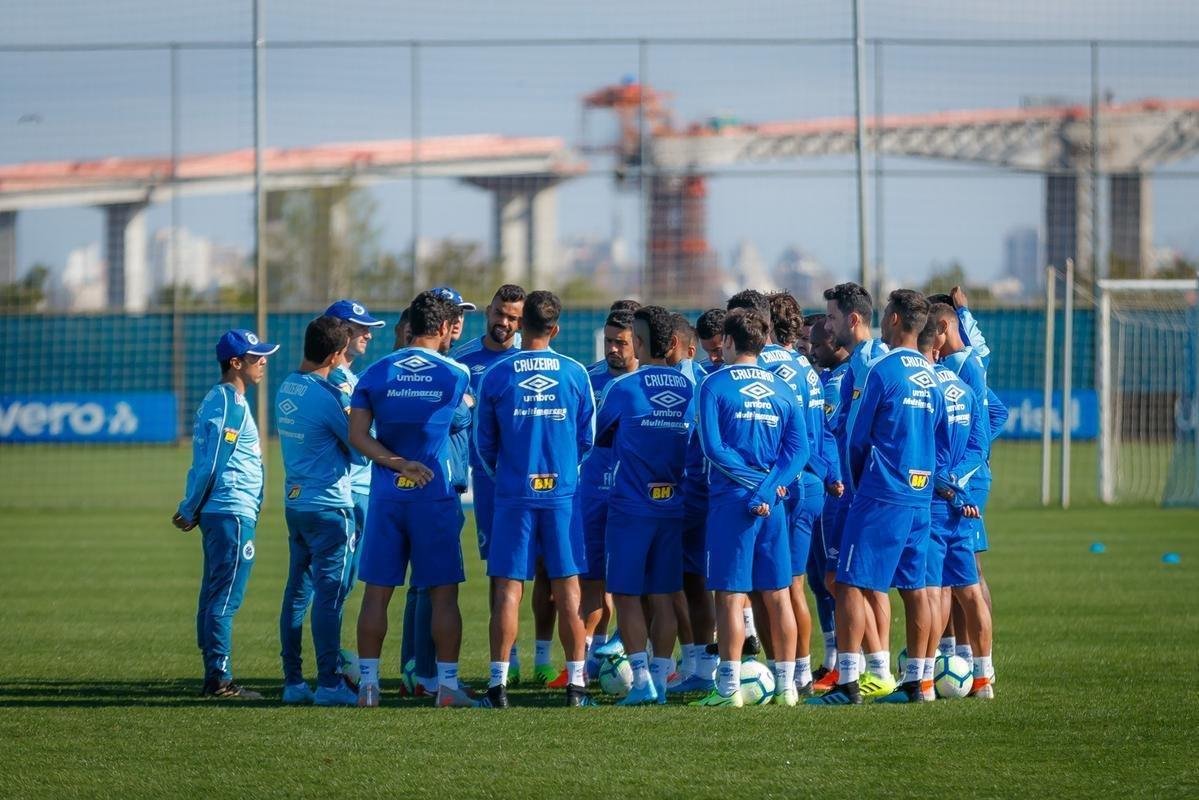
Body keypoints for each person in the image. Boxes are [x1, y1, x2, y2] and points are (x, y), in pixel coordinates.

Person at [809, 290, 946, 706]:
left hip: (880, 493)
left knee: (849, 582)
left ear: (894, 319)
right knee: (915, 588)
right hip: (920, 496)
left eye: (886, 314)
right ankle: (918, 682)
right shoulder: (931, 375)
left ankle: (848, 683)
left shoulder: (881, 370)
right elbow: (939, 435)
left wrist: (856, 486)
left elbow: (856, 436)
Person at [350, 291, 475, 708]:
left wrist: (398, 463)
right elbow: (461, 418)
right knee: (443, 594)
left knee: (377, 593)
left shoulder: (374, 372)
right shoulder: (456, 373)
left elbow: (357, 436)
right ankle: (447, 687)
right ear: (442, 328)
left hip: (387, 494)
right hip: (433, 493)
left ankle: (368, 687)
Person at [474, 290, 596, 708]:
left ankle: (497, 687)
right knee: (568, 589)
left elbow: (483, 444)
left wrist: (509, 478)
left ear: (520, 324)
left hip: (513, 494)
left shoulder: (497, 373)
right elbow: (587, 439)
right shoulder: (575, 373)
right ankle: (576, 687)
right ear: (555, 329)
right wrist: (562, 474)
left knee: (508, 590)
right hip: (562, 496)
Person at [691, 308, 808, 707]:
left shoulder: (713, 384)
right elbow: (799, 452)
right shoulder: (782, 388)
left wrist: (755, 487)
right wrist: (769, 487)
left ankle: (728, 689)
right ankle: (787, 687)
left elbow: (713, 448)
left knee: (729, 595)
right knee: (778, 594)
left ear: (727, 341)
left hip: (733, 502)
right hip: (773, 503)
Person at [596, 305, 696, 705]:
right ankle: (660, 679)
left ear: (640, 342)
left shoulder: (622, 388)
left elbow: (601, 437)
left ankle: (641, 682)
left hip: (631, 508)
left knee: (625, 594)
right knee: (664, 593)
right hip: (673, 505)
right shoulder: (690, 388)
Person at [173, 328, 279, 700]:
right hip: (230, 512)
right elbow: (214, 461)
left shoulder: (219, 399)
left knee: (215, 591)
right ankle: (219, 679)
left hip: (224, 512)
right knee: (225, 595)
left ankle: (213, 672)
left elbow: (204, 461)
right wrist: (190, 507)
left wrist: (193, 506)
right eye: (256, 357)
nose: (263, 362)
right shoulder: (229, 402)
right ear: (235, 362)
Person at [276, 316, 367, 706]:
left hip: (296, 504)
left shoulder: (286, 385)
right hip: (330, 507)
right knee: (330, 597)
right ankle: (330, 684)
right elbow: (360, 450)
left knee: (297, 593)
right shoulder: (328, 395)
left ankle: (293, 682)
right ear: (335, 355)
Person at [449, 284, 529, 680]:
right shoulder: (462, 362)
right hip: (487, 483)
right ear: (488, 311)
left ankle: (550, 658)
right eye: (500, 313)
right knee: (500, 570)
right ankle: (507, 658)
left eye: (513, 318)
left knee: (547, 573)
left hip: (531, 482)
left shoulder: (529, 361)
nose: (505, 323)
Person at [820, 281, 895, 699]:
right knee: (848, 580)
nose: (827, 326)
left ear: (853, 319)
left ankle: (860, 675)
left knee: (854, 581)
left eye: (832, 317)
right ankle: (878, 669)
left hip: (869, 490)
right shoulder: (856, 365)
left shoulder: (877, 363)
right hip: (852, 490)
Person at [917, 314, 994, 700]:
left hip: (931, 503)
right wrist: (959, 485)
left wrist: (942, 484)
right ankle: (983, 677)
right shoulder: (962, 387)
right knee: (969, 589)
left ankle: (924, 680)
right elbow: (979, 447)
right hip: (961, 503)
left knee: (932, 591)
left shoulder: (920, 388)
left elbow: (916, 451)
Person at [577, 309, 639, 677]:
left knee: (636, 584)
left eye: (621, 342)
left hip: (637, 499)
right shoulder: (588, 379)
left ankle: (650, 660)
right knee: (592, 582)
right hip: (593, 496)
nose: (613, 348)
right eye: (609, 341)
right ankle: (589, 660)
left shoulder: (650, 383)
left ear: (638, 344)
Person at [806, 315, 849, 690]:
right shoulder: (821, 379)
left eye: (816, 345)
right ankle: (833, 659)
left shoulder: (839, 382)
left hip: (834, 491)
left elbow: (829, 438)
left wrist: (830, 475)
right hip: (823, 488)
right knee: (820, 581)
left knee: (836, 580)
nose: (811, 352)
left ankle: (853, 661)